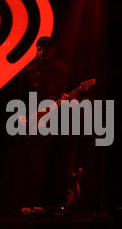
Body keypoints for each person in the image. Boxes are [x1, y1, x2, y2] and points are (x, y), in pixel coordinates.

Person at [12, 37, 78, 212]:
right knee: (36, 167)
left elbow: (75, 99)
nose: (41, 54)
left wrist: (70, 101)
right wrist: (22, 119)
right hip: (37, 127)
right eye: (39, 49)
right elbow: (19, 100)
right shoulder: (29, 73)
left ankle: (55, 206)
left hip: (59, 126)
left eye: (45, 50)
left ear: (54, 51)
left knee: (57, 166)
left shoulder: (64, 71)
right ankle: (35, 204)